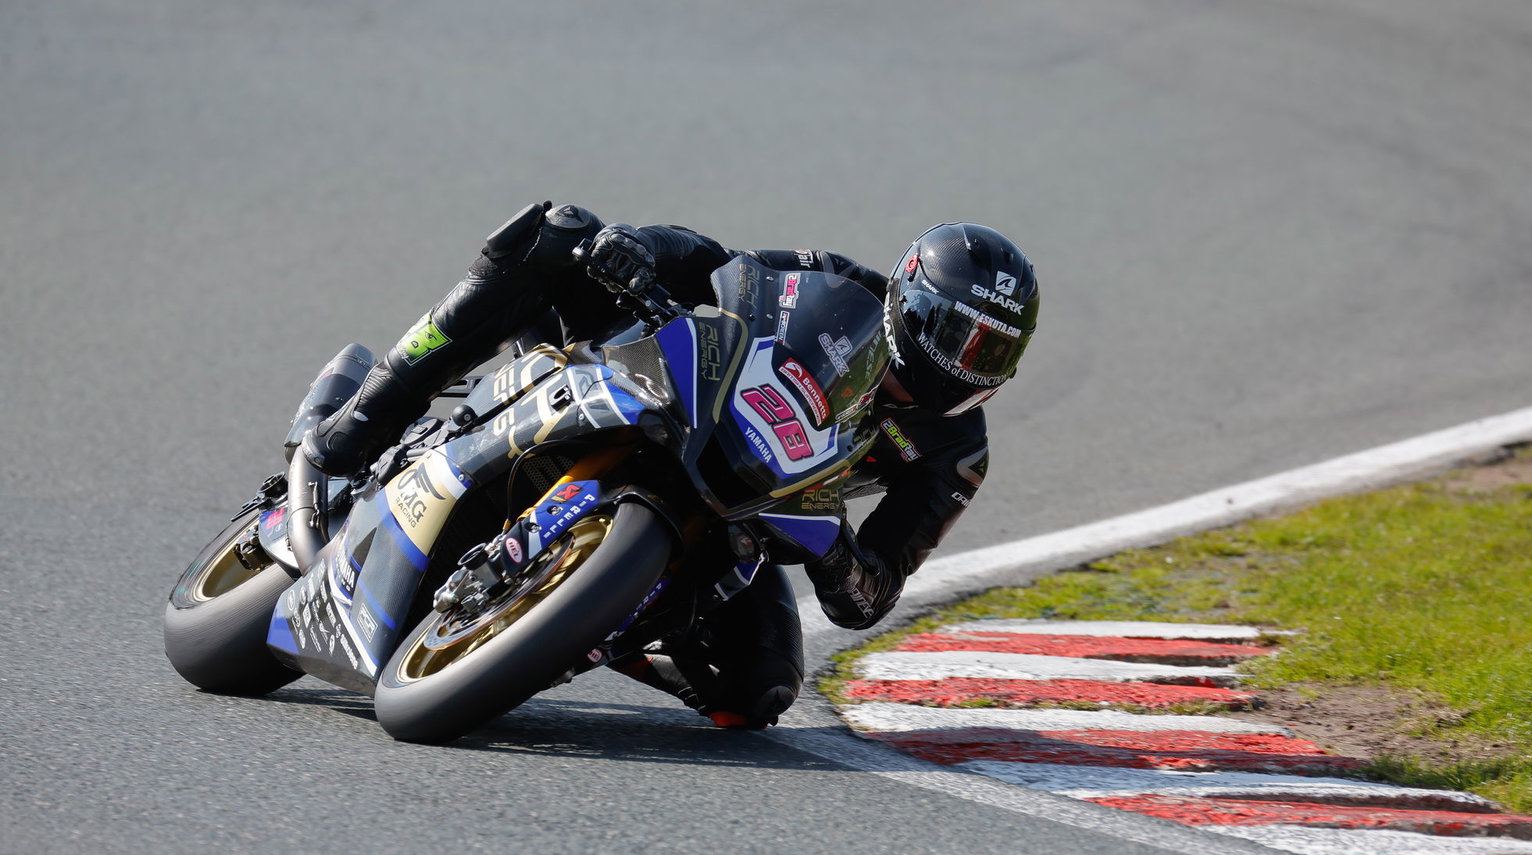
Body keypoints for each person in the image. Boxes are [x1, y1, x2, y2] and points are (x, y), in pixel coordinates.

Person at [303, 202, 1039, 728]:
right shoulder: (842, 287)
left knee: (759, 692)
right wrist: (640, 248)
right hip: (679, 404)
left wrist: (838, 550)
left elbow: (869, 598)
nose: (967, 365)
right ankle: (356, 428)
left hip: (747, 521)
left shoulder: (954, 455)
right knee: (559, 235)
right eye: (956, 335)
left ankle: (569, 627)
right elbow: (721, 266)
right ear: (908, 304)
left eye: (993, 353)